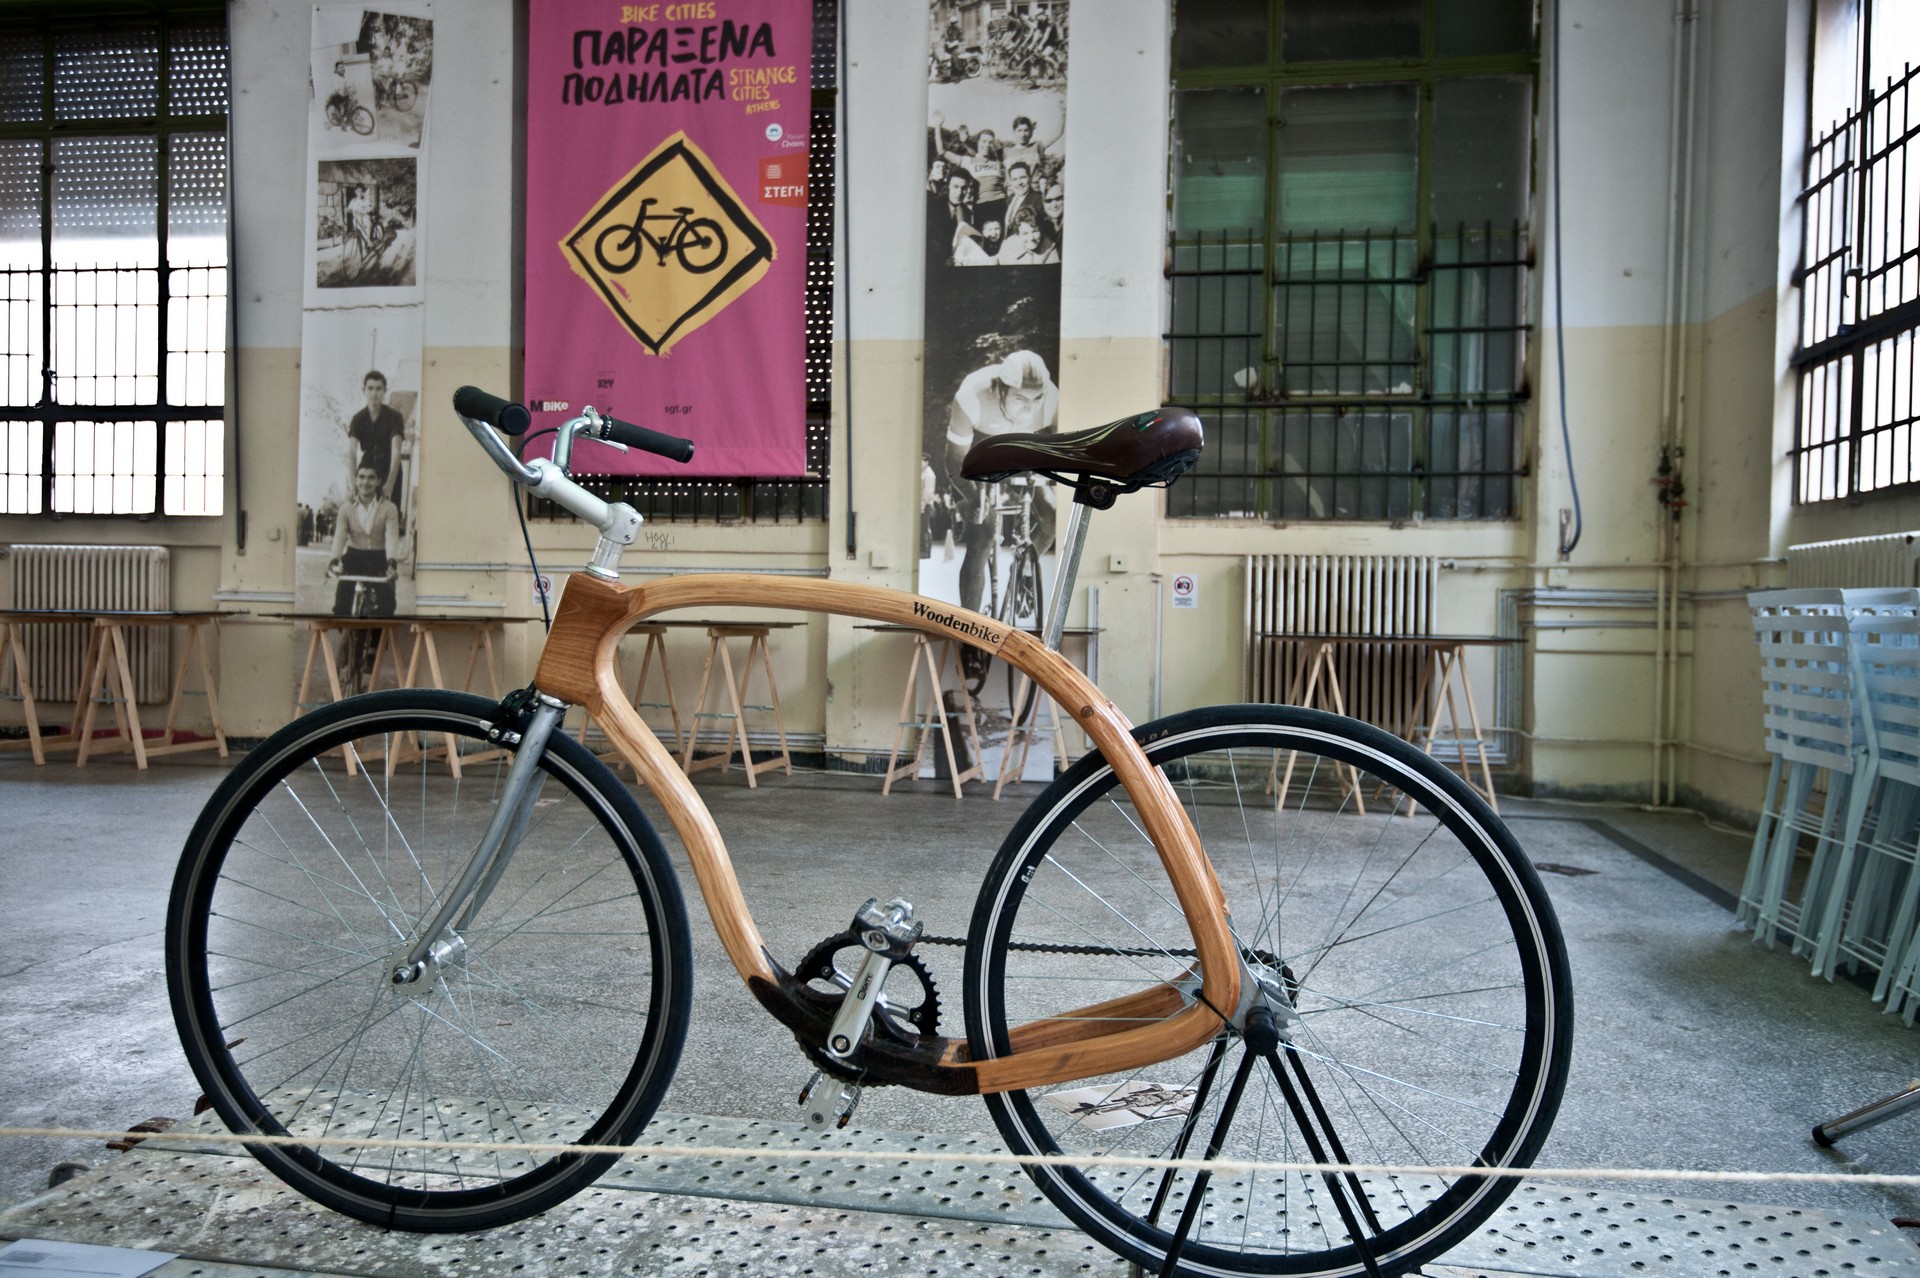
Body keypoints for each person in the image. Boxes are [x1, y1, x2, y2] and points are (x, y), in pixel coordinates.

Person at [943, 350, 1058, 614]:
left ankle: (1024, 569)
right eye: (1020, 398)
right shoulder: (972, 396)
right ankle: (970, 625)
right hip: (978, 453)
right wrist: (974, 499)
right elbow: (954, 463)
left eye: (1037, 398)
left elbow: (1063, 458)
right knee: (982, 534)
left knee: (1052, 518)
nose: (1030, 408)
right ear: (1000, 389)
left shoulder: (1053, 401)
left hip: (1021, 448)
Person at [327, 461, 400, 616]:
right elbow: (340, 537)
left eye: (371, 477)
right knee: (340, 607)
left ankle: (378, 632)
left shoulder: (390, 508)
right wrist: (334, 561)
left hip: (380, 560)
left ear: (379, 481)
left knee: (387, 607)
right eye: (361, 477)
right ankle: (346, 629)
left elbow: (391, 537)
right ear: (356, 480)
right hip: (353, 559)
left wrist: (392, 563)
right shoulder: (346, 508)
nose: (365, 482)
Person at [348, 369, 407, 502]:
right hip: (367, 470)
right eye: (370, 388)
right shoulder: (357, 419)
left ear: (385, 391)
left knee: (390, 510)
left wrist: (390, 484)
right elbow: (352, 452)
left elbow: (396, 451)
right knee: (364, 511)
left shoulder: (394, 417)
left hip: (389, 468)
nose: (374, 393)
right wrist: (353, 484)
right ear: (364, 391)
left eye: (378, 388)